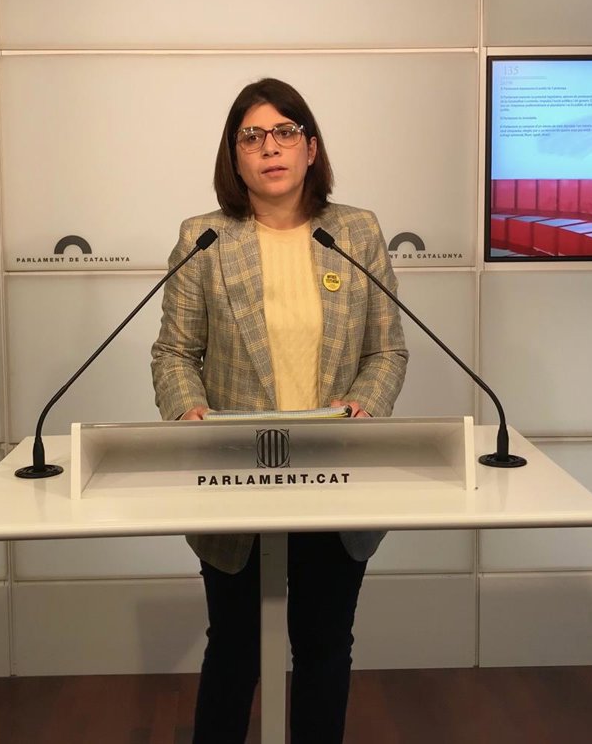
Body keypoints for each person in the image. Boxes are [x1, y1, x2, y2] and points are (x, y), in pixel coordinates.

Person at [151, 77, 408, 743]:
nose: (270, 147)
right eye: (252, 136)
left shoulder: (355, 232)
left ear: (310, 148)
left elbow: (386, 350)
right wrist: (189, 416)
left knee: (324, 647)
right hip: (237, 477)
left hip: (334, 473)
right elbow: (174, 353)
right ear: (234, 157)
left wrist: (365, 404)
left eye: (285, 132)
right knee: (235, 648)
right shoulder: (205, 239)